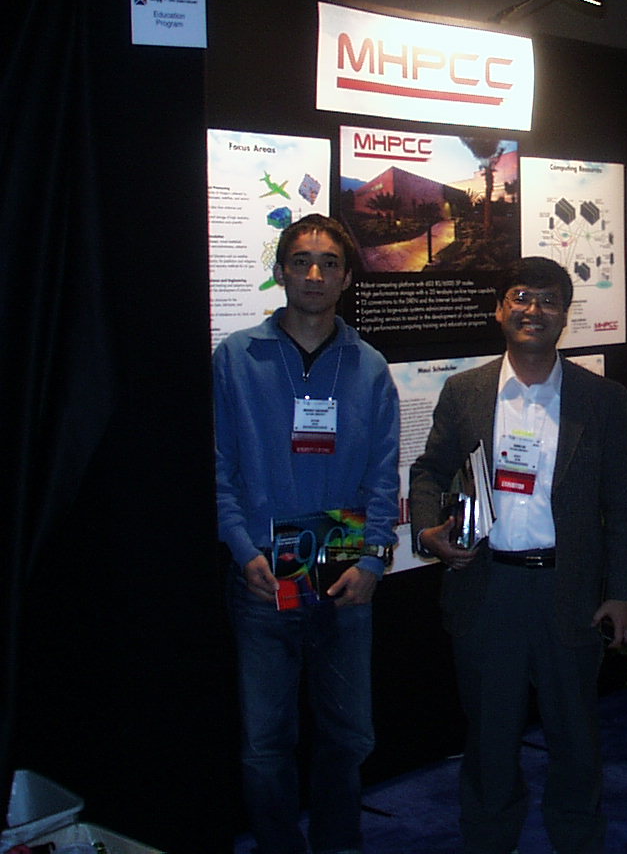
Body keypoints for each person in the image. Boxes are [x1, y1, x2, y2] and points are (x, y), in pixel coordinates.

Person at [410, 256, 627, 854]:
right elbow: (429, 469)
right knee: (489, 738)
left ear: (565, 315)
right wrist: (429, 529)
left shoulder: (603, 398)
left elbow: (622, 502)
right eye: (520, 297)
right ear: (499, 309)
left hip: (571, 591)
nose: (533, 310)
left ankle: (578, 838)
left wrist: (623, 591)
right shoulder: (465, 391)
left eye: (548, 300)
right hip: (487, 589)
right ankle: (489, 839)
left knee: (576, 736)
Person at [214, 213, 400, 854]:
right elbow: (218, 467)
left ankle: (337, 842)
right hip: (265, 568)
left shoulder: (369, 367)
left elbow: (383, 475)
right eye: (301, 261)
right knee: (265, 743)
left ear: (346, 278)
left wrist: (373, 561)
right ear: (280, 272)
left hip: (342, 564)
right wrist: (242, 551)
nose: (314, 274)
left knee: (349, 735)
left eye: (329, 263)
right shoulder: (237, 358)